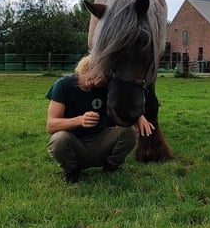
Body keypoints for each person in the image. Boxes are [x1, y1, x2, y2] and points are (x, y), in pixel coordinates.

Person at [46, 55, 154, 183]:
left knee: (129, 132)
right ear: (86, 68)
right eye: (95, 76)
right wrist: (80, 120)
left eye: (102, 80)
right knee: (58, 139)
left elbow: (124, 103)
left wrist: (139, 116)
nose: (97, 82)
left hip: (100, 142)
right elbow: (51, 125)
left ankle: (111, 166)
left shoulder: (105, 88)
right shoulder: (63, 85)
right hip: (74, 144)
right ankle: (72, 171)